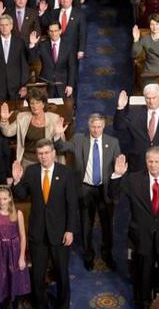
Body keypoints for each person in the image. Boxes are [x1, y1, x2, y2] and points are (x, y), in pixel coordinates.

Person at [109, 147, 159, 307]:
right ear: (146, 162)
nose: (153, 165)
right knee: (143, 274)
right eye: (150, 161)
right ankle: (143, 302)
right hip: (142, 236)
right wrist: (117, 175)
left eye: (157, 161)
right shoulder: (133, 180)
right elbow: (113, 194)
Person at [11, 139, 77, 309]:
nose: (44, 156)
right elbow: (21, 195)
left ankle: (63, 306)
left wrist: (70, 230)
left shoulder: (66, 173)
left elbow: (72, 204)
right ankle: (42, 305)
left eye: (47, 153)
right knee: (37, 276)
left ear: (54, 153)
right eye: (40, 154)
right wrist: (16, 181)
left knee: (62, 274)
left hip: (60, 232)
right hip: (38, 233)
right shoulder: (31, 171)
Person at [53, 113, 122, 271]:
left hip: (104, 189)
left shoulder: (113, 142)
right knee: (86, 225)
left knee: (107, 225)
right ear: (88, 126)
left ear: (104, 127)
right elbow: (61, 147)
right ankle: (88, 255)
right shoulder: (79, 139)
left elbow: (118, 166)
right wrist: (58, 134)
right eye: (93, 127)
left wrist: (117, 175)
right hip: (85, 189)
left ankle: (107, 254)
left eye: (99, 127)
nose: (96, 130)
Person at [113, 84, 159, 172]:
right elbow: (119, 127)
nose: (151, 101)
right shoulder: (135, 113)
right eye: (148, 98)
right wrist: (120, 108)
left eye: (154, 98)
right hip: (139, 162)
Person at [0, 87, 65, 168]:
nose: (35, 106)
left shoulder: (54, 119)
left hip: (48, 161)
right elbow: (7, 132)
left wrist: (58, 135)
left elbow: (62, 147)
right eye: (32, 103)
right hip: (28, 161)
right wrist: (4, 120)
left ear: (43, 104)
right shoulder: (22, 117)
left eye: (38, 103)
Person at [0, 14, 29, 101]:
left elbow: (24, 66)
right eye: (1, 25)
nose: (4, 27)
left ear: (11, 26)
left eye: (6, 25)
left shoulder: (19, 42)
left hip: (16, 88)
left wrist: (24, 86)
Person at [28, 21, 77, 98]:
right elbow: (32, 59)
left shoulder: (68, 46)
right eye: (51, 31)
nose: (54, 34)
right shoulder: (42, 45)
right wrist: (32, 45)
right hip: (45, 85)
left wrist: (70, 85)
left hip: (63, 85)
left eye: (56, 31)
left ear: (60, 31)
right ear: (48, 32)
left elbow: (72, 67)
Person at [131, 14, 159, 97]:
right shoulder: (145, 38)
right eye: (152, 24)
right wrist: (136, 40)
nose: (154, 27)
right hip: (149, 74)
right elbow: (135, 54)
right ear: (149, 25)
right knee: (150, 99)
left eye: (157, 24)